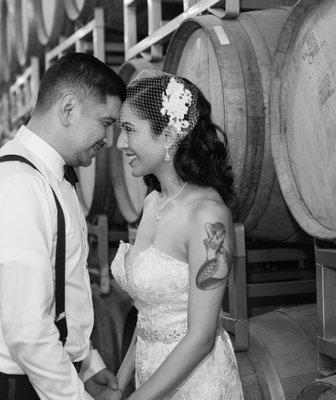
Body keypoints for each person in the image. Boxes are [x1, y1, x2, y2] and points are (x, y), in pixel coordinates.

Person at [0, 53, 126, 400]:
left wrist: (88, 363)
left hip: (41, 379)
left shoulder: (49, 177)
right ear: (68, 108)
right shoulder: (19, 187)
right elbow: (29, 331)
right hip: (13, 388)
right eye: (106, 122)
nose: (109, 140)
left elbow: (62, 288)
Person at [112, 72, 244, 399]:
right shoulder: (152, 202)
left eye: (129, 130)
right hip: (151, 378)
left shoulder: (208, 217)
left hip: (197, 383)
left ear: (168, 136)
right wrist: (120, 381)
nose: (120, 143)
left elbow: (200, 338)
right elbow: (148, 311)